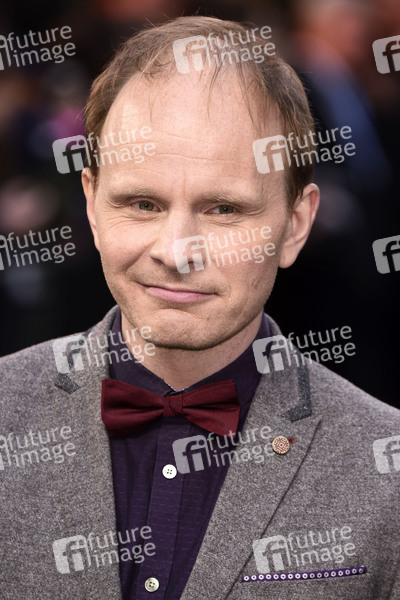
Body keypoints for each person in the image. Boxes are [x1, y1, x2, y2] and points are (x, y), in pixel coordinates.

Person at [0, 15, 399, 600]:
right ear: (91, 204)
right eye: (142, 204)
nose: (175, 251)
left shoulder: (387, 471)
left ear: (296, 224)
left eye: (224, 210)